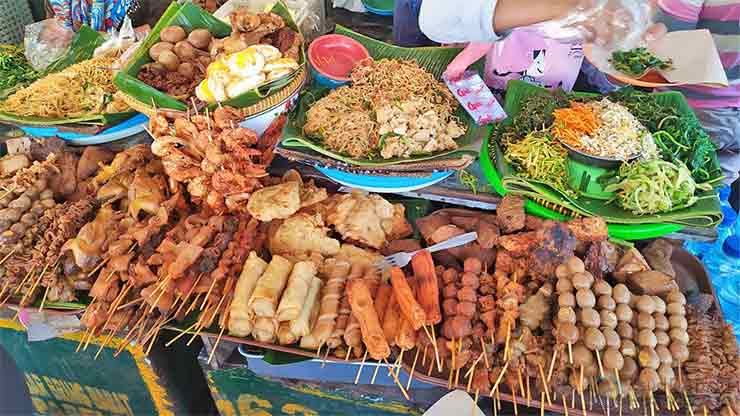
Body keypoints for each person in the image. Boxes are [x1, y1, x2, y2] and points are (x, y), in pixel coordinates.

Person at [419, 0, 651, 93]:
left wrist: (612, 77)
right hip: (507, 49)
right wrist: (468, 54)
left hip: (562, 60)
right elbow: (438, 21)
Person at [649, 0, 740, 185]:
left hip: (690, 111)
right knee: (716, 182)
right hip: (731, 112)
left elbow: (670, 41)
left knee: (662, 185)